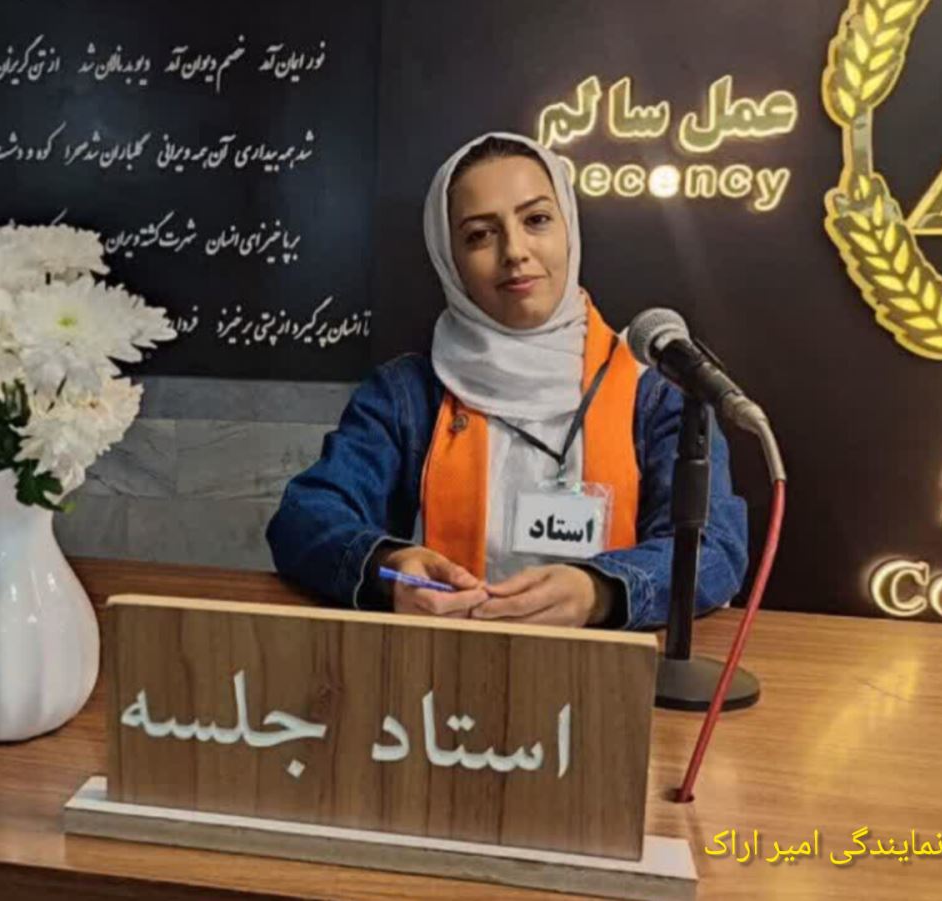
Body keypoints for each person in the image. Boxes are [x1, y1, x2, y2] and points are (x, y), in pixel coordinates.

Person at [265, 132, 748, 629]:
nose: (514, 251)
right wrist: (389, 570)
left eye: (536, 220)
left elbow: (715, 549)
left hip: (606, 669)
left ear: (569, 228)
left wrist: (600, 592)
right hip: (439, 662)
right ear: (449, 259)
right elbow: (304, 518)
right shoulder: (409, 395)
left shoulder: (656, 395)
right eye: (479, 235)